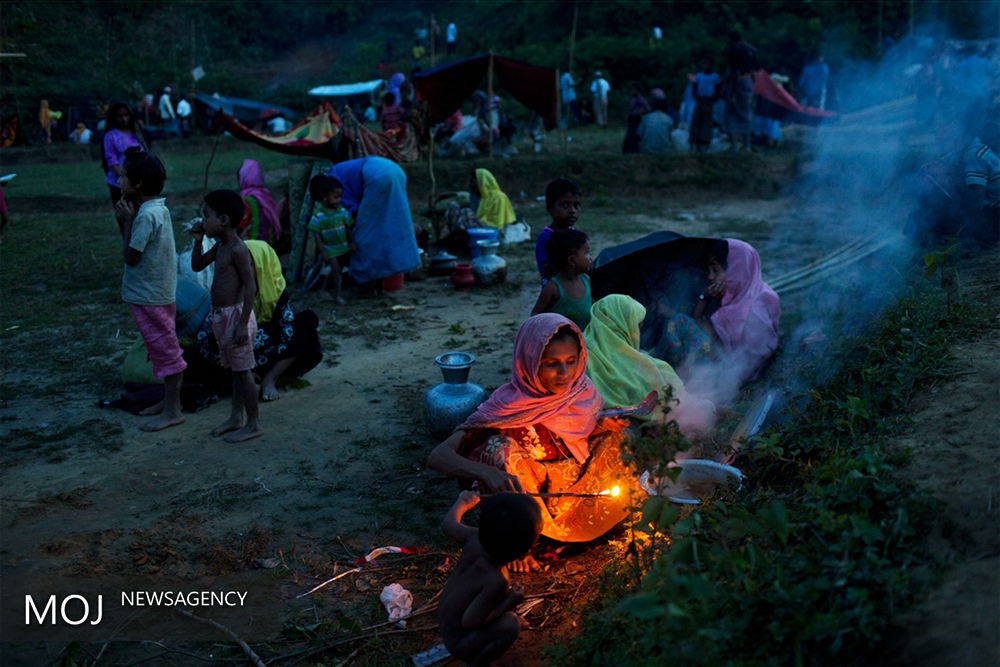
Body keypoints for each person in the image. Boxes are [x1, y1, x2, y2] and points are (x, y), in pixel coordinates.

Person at [427, 315, 634, 560]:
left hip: (576, 496)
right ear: (530, 362)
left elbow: (577, 442)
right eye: (551, 363)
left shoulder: (581, 392)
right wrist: (486, 472)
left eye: (571, 361)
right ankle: (521, 540)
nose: (564, 373)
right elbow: (438, 457)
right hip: (531, 501)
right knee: (499, 449)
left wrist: (602, 426)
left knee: (618, 437)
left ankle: (604, 522)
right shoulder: (506, 408)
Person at [114, 147, 186, 432]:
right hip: (159, 292)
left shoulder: (144, 216)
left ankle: (173, 410)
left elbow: (131, 256)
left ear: (138, 183)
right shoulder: (159, 209)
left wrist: (127, 221)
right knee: (160, 348)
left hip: (150, 296)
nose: (119, 182)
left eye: (123, 177)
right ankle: (168, 402)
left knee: (167, 352)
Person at [655, 239, 780, 385]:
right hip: (723, 367)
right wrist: (703, 298)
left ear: (736, 271)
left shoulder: (757, 307)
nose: (710, 277)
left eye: (715, 270)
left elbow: (751, 360)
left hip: (734, 378)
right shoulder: (735, 296)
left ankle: (665, 378)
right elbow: (698, 327)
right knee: (683, 317)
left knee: (679, 322)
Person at [584, 295, 714, 434]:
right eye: (636, 327)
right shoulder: (642, 366)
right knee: (706, 409)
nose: (638, 333)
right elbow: (677, 404)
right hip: (635, 432)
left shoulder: (584, 354)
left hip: (614, 430)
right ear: (622, 327)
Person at [190, 189, 262, 443]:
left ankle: (253, 424)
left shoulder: (238, 250)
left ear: (223, 220)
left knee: (244, 372)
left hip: (236, 318)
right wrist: (198, 241)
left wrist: (243, 323)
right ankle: (236, 417)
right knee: (235, 370)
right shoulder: (220, 246)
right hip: (222, 316)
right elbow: (197, 265)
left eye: (206, 216)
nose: (202, 220)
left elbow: (250, 287)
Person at [438, 491, 541, 665]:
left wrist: (463, 502)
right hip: (459, 641)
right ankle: (478, 662)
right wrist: (510, 601)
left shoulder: (473, 538)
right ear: (524, 553)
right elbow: (471, 621)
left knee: (500, 613)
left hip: (445, 620)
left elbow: (448, 524)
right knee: (511, 624)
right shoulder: (497, 580)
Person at [326, 156, 421, 290]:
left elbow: (354, 214)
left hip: (376, 175)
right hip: (395, 170)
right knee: (393, 225)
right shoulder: (338, 172)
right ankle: (393, 270)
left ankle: (366, 280)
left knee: (364, 234)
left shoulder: (332, 182)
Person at [532, 229, 593, 330]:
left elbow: (587, 302)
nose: (590, 258)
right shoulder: (553, 288)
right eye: (587, 253)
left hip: (586, 339)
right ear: (572, 260)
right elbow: (536, 314)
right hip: (562, 342)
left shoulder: (586, 280)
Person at [307, 175, 354, 303]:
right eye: (335, 197)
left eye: (340, 197)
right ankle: (338, 295)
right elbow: (316, 234)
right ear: (325, 197)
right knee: (337, 271)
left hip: (342, 246)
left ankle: (323, 289)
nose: (338, 200)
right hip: (330, 249)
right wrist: (322, 251)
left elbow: (348, 228)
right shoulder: (318, 216)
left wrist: (352, 242)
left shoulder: (342, 212)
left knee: (336, 270)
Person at [102, 101, 147, 224]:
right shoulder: (111, 136)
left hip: (139, 184)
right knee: (126, 220)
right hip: (120, 184)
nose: (124, 119)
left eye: (126, 115)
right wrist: (125, 178)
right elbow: (111, 160)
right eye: (120, 116)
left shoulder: (137, 134)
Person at [535, 178, 582, 278]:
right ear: (549, 208)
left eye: (576, 205)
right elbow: (549, 270)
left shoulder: (576, 235)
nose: (572, 211)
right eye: (565, 205)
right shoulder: (546, 237)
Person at [724, 31, 758, 151]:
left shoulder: (734, 50)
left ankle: (734, 145)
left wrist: (732, 93)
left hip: (738, 82)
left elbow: (735, 71)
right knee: (747, 113)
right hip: (749, 81)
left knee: (731, 113)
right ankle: (746, 144)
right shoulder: (751, 49)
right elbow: (756, 68)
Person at [235, 159, 282, 246]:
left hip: (251, 247)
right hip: (269, 245)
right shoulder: (267, 198)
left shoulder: (246, 202)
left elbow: (239, 226)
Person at [690, 58, 720, 152]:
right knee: (696, 120)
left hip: (709, 100)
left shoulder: (715, 77)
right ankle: (694, 141)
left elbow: (717, 89)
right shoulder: (698, 76)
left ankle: (704, 142)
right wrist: (696, 97)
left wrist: (714, 99)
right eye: (704, 64)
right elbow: (694, 88)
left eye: (707, 64)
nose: (705, 66)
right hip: (700, 99)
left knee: (707, 121)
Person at [622, 84, 650, 154]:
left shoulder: (641, 100)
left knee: (635, 137)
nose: (631, 92)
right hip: (632, 121)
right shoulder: (633, 100)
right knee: (629, 137)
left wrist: (639, 113)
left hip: (637, 121)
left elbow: (647, 109)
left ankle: (634, 151)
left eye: (633, 90)